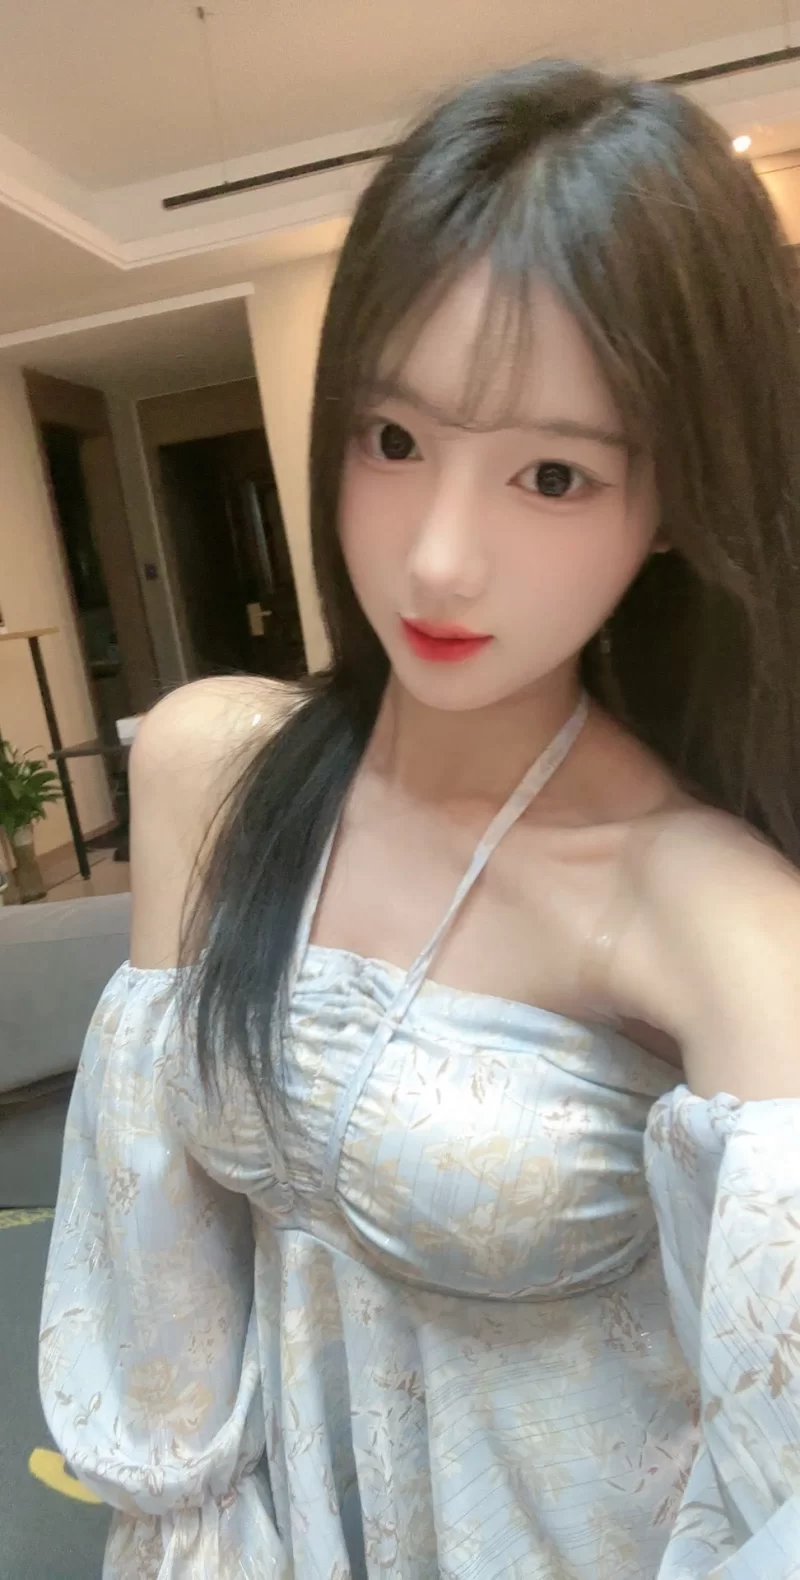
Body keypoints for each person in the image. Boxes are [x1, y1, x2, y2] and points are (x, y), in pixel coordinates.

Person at [40, 58, 800, 1580]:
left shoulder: (710, 912)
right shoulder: (214, 770)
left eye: (552, 474)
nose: (439, 559)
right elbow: (163, 1328)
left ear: (675, 505)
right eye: (392, 441)